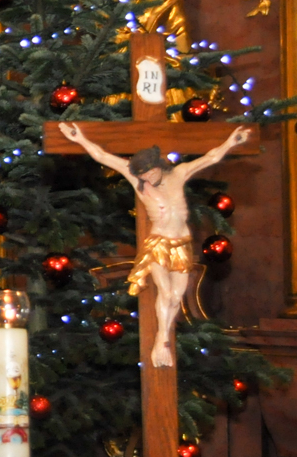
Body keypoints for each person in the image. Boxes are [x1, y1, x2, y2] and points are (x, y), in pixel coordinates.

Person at [59, 121, 252, 367]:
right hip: (158, 241)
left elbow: (210, 158)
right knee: (166, 292)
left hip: (181, 242)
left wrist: (231, 142)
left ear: (159, 165)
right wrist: (79, 139)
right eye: (143, 176)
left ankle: (164, 336)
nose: (147, 179)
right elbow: (102, 156)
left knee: (177, 296)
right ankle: (162, 340)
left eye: (150, 173)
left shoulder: (179, 174)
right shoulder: (136, 179)